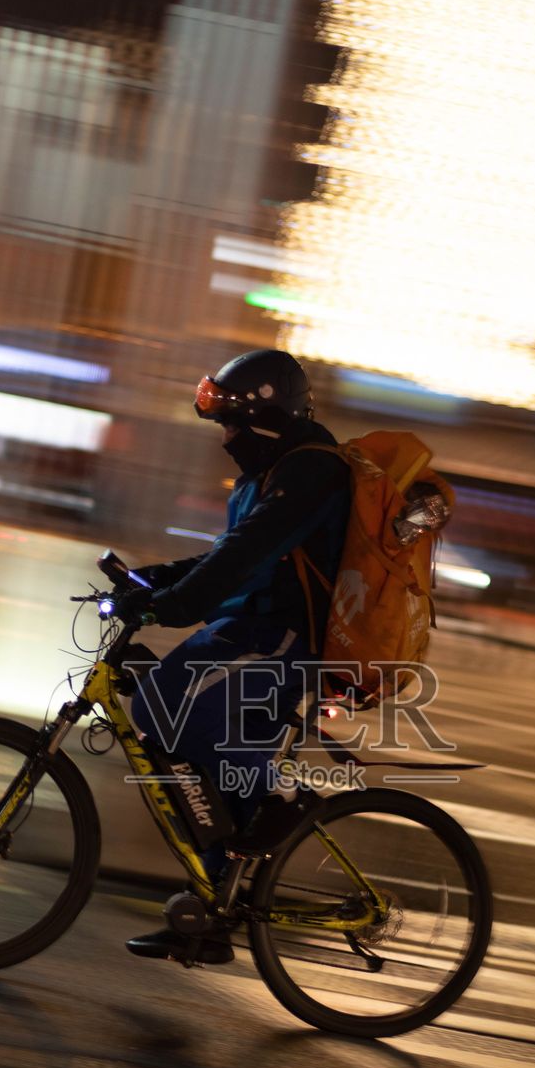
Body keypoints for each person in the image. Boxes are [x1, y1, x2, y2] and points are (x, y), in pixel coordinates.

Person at [113, 348, 350, 964]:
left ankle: (285, 799)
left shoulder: (309, 470)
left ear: (262, 416)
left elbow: (247, 553)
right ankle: (211, 919)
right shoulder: (269, 472)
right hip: (249, 629)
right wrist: (149, 581)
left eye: (231, 424)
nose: (224, 438)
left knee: (165, 701)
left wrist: (171, 605)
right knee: (223, 795)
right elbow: (227, 554)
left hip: (281, 638)